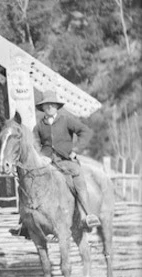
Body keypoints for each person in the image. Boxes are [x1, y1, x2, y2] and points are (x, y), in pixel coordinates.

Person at [33, 90, 100, 230]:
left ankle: (87, 215)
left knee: (78, 176)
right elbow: (34, 143)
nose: (49, 107)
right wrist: (41, 156)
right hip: (46, 163)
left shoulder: (66, 120)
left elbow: (86, 131)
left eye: (52, 104)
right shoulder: (39, 126)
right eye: (46, 105)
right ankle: (26, 222)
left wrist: (76, 150)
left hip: (66, 161)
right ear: (43, 108)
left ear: (57, 106)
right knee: (31, 181)